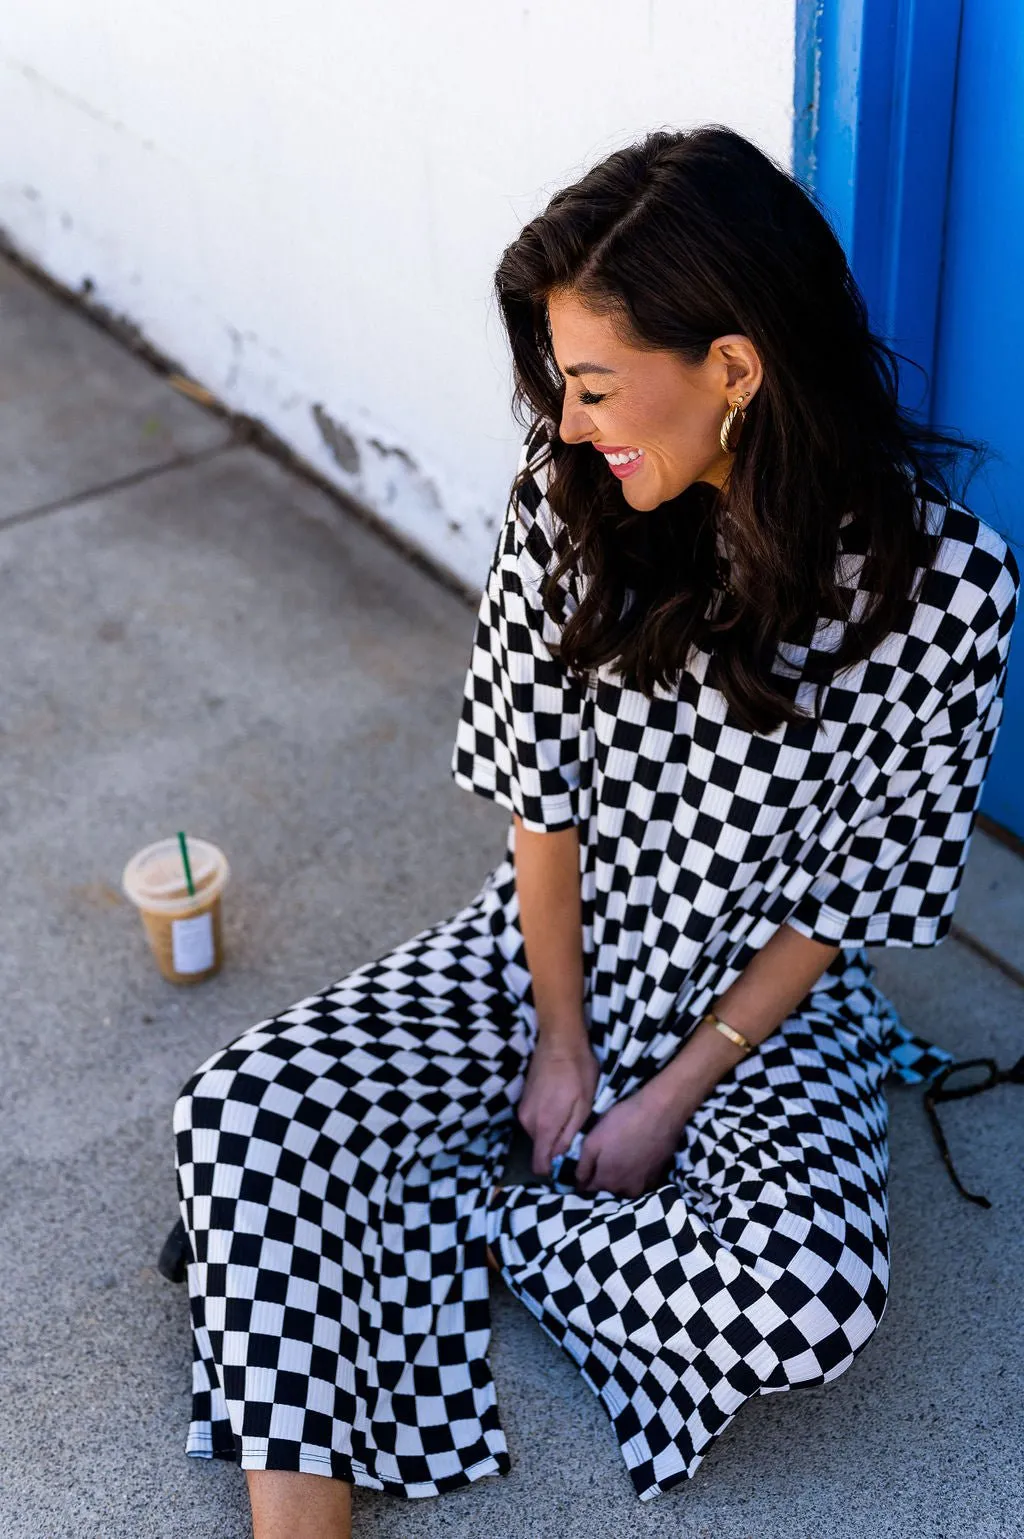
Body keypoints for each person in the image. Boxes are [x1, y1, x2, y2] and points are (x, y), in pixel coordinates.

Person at [172, 124, 1019, 1536]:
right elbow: (540, 812)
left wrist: (665, 1100)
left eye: (597, 386)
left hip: (765, 1012)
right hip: (546, 949)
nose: (568, 424)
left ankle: (437, 1223)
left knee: (813, 1292)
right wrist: (563, 1044)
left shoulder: (949, 594)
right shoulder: (568, 514)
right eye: (561, 385)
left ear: (735, 370)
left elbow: (846, 899)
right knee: (240, 1112)